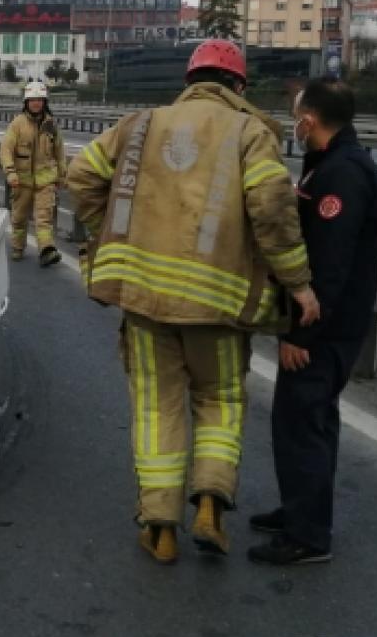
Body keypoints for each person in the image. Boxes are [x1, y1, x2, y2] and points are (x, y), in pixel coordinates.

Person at [67, 39, 321, 564]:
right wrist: (297, 282)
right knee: (220, 399)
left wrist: (108, 231)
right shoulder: (250, 132)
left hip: (144, 299)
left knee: (155, 407)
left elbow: (82, 176)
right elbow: (273, 209)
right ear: (239, 85)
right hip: (218, 306)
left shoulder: (139, 125)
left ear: (189, 81)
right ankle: (209, 503)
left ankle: (160, 528)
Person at [248, 79, 377, 566]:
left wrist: (301, 335)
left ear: (310, 121)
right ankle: (300, 511)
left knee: (303, 422)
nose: (294, 124)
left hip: (325, 328)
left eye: (296, 116)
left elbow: (330, 264)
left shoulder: (343, 173)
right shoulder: (328, 163)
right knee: (306, 419)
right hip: (328, 323)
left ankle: (307, 536)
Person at [0, 80, 66, 267]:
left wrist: (62, 175)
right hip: (21, 181)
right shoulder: (17, 124)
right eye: (33, 100)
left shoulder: (51, 125)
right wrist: (10, 172)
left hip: (46, 181)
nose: (36, 103)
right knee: (19, 218)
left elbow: (60, 151)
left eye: (40, 100)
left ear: (44, 102)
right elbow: (5, 150)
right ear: (26, 102)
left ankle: (47, 250)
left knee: (44, 218)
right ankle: (17, 247)